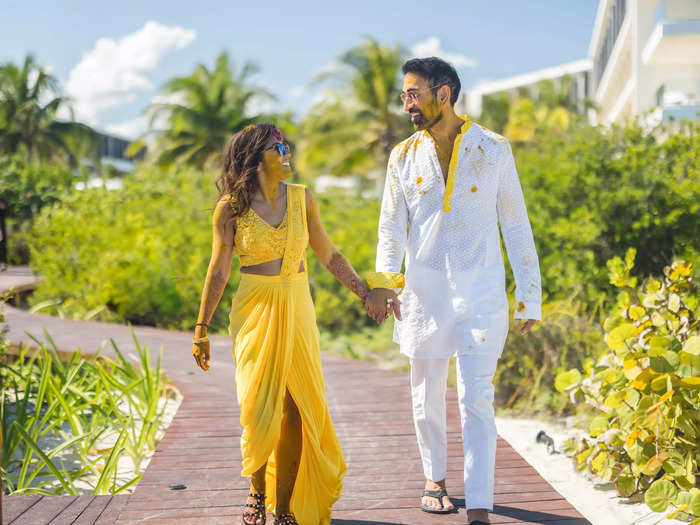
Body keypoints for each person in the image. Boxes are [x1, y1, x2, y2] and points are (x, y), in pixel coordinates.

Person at [365, 57, 542, 523]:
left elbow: (516, 223)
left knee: (475, 396)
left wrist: (529, 295)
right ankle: (434, 478)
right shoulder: (402, 155)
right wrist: (385, 285)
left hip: (481, 292)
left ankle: (479, 502)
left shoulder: (494, 148)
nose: (407, 104)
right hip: (422, 294)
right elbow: (390, 229)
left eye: (413, 93)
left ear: (444, 93)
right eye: (405, 94)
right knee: (425, 394)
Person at [192, 124, 376, 525]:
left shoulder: (302, 199)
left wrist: (365, 292)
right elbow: (219, 269)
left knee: (294, 409)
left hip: (296, 303)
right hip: (254, 306)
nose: (288, 152)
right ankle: (257, 496)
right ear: (258, 157)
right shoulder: (230, 208)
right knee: (259, 404)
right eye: (281, 147)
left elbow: (327, 253)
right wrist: (201, 328)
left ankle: (286, 508)